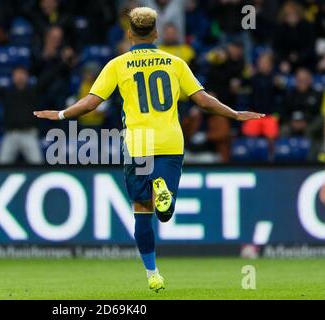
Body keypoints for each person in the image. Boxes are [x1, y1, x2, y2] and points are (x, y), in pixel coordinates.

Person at [34, 7, 263, 292]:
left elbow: (90, 104)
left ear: (129, 33)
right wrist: (236, 113)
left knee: (142, 211)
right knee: (165, 213)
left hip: (138, 142)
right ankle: (162, 187)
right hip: (170, 140)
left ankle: (152, 273)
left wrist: (59, 115)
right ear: (155, 33)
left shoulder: (117, 65)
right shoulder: (175, 62)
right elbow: (203, 101)